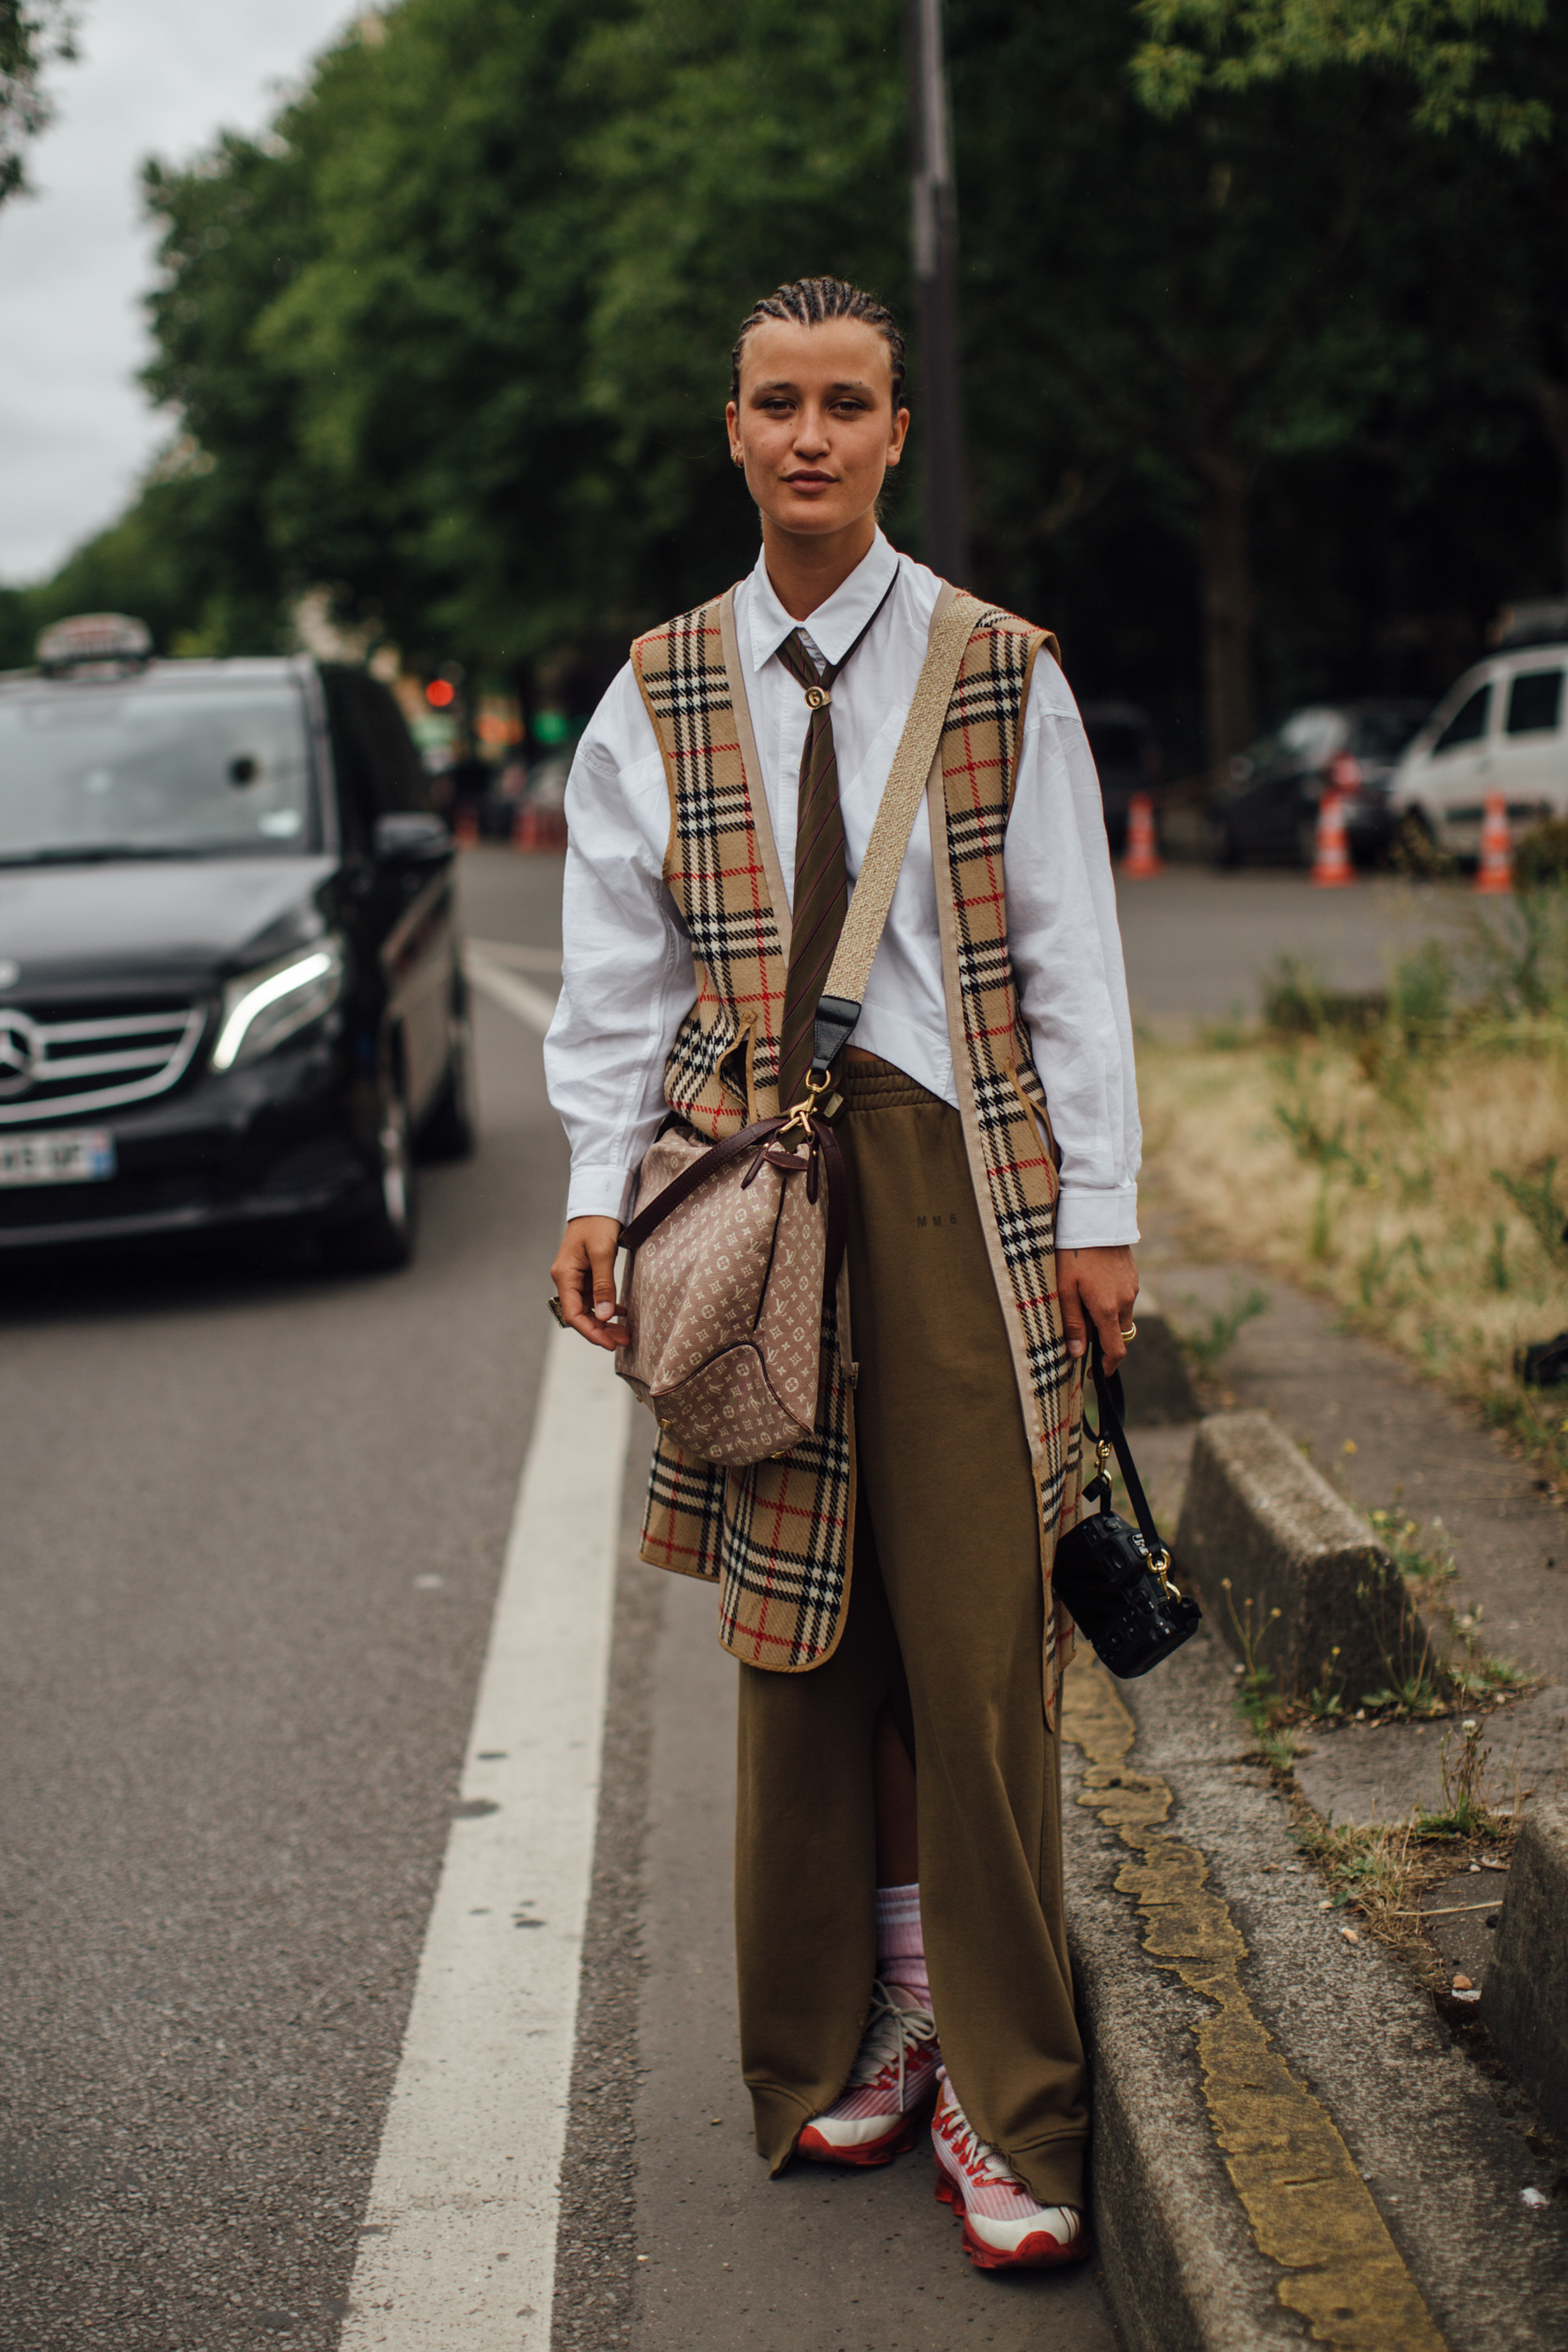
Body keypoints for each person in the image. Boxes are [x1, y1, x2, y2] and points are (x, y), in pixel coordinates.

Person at [545, 276, 1141, 2273]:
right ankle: (858, 2023)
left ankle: (1005, 2086)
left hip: (961, 1186)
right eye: (777, 404)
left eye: (848, 405)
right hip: (750, 1203)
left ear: (895, 431)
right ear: (733, 428)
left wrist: (1102, 1213)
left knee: (976, 1650)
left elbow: (1072, 960)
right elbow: (617, 976)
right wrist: (589, 1188)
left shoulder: (996, 664)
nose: (811, 436)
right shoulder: (655, 682)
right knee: (807, 1639)